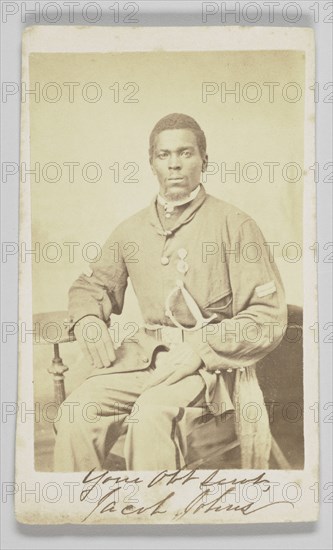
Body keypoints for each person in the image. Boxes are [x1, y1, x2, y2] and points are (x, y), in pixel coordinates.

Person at [54, 113, 287, 472]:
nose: (175, 164)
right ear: (152, 164)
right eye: (164, 155)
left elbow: (267, 318)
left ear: (204, 160)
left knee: (149, 418)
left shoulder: (235, 225)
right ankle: (79, 517)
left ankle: (155, 519)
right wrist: (87, 318)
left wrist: (199, 347)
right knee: (75, 412)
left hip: (207, 368)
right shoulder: (131, 230)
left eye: (185, 153)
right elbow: (91, 285)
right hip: (142, 360)